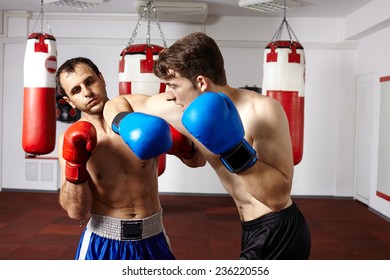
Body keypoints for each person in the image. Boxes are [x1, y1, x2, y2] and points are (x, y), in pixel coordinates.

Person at [103, 32, 311, 260]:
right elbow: (115, 103)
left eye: (173, 85)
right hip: (250, 228)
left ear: (201, 82)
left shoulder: (261, 110)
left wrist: (232, 148)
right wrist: (123, 122)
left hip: (279, 231)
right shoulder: (178, 108)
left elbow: (278, 198)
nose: (168, 95)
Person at [56, 57, 203, 260]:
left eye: (89, 82)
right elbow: (76, 212)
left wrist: (183, 146)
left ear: (101, 79)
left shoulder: (137, 109)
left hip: (154, 236)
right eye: (76, 90)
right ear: (69, 101)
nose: (87, 92)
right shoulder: (67, 139)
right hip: (103, 242)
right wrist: (76, 165)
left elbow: (198, 162)